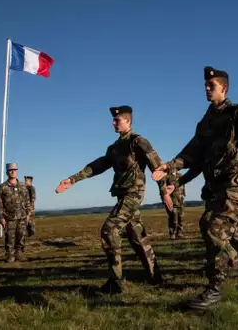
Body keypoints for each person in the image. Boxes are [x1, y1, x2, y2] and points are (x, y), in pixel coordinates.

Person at [154, 66, 238, 310]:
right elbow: (192, 153)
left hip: (234, 185)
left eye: (212, 86)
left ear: (224, 88)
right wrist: (170, 168)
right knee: (237, 235)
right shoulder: (206, 121)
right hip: (214, 187)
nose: (207, 89)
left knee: (211, 226)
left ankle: (215, 288)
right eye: (205, 86)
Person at [55, 105, 169, 294]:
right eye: (113, 120)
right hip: (123, 195)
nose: (113, 123)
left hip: (134, 194)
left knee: (109, 230)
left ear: (128, 121)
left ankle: (115, 282)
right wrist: (73, 179)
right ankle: (155, 277)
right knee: (137, 237)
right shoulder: (115, 147)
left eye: (117, 120)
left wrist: (164, 192)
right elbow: (98, 165)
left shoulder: (138, 141)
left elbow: (157, 166)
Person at [0, 163, 33, 262]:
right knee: (10, 237)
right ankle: (10, 255)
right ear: (7, 172)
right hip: (9, 217)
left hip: (22, 216)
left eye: (15, 170)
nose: (13, 172)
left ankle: (19, 253)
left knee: (21, 235)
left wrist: (29, 213)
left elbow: (27, 200)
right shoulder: (2, 187)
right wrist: (1, 217)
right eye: (10, 170)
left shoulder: (22, 186)